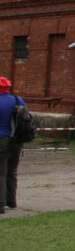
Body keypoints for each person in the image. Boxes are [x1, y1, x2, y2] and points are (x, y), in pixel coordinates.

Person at [0, 76, 27, 214]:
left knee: (1, 172)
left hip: (1, 139)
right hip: (16, 140)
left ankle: (0, 204)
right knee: (12, 170)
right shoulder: (18, 100)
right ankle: (11, 201)